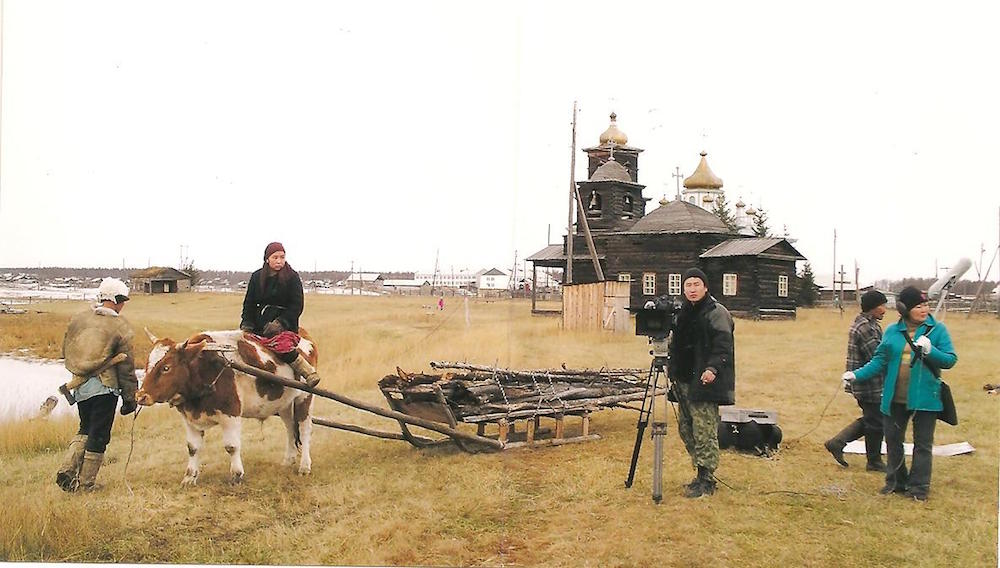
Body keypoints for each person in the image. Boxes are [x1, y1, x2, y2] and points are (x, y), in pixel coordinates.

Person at [845, 286, 958, 501]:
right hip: (895, 397)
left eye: (925, 305)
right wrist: (856, 375)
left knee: (922, 444)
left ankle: (919, 488)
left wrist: (930, 350)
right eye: (918, 306)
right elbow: (879, 360)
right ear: (904, 309)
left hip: (926, 397)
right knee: (893, 441)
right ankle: (896, 482)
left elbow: (950, 360)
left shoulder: (938, 331)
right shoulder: (892, 331)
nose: (924, 309)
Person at [56, 277, 139, 492]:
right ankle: (86, 485)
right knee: (99, 434)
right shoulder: (120, 326)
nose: (123, 307)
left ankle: (68, 469)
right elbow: (126, 367)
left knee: (85, 428)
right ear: (117, 300)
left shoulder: (79, 319)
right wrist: (130, 398)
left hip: (81, 387)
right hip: (105, 388)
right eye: (123, 302)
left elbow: (65, 351)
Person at [667, 267, 736, 498]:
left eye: (697, 284)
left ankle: (707, 479)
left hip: (705, 380)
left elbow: (723, 346)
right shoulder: (683, 312)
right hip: (684, 380)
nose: (692, 289)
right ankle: (699, 472)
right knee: (686, 428)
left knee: (704, 429)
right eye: (688, 285)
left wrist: (712, 368)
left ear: (705, 287)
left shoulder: (716, 312)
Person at [240, 242, 321, 387]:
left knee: (282, 346)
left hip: (285, 325)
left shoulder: (292, 277)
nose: (279, 261)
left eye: (282, 257)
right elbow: (249, 303)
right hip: (259, 324)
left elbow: (297, 306)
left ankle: (307, 371)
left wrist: (280, 323)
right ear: (267, 259)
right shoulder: (256, 277)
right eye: (275, 257)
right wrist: (247, 323)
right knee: (243, 345)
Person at [824, 290, 888, 471]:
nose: (884, 310)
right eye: (881, 306)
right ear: (872, 308)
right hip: (870, 382)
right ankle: (874, 462)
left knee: (873, 418)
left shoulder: (868, 323)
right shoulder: (866, 328)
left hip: (866, 381)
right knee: (876, 422)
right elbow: (877, 357)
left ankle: (838, 442)